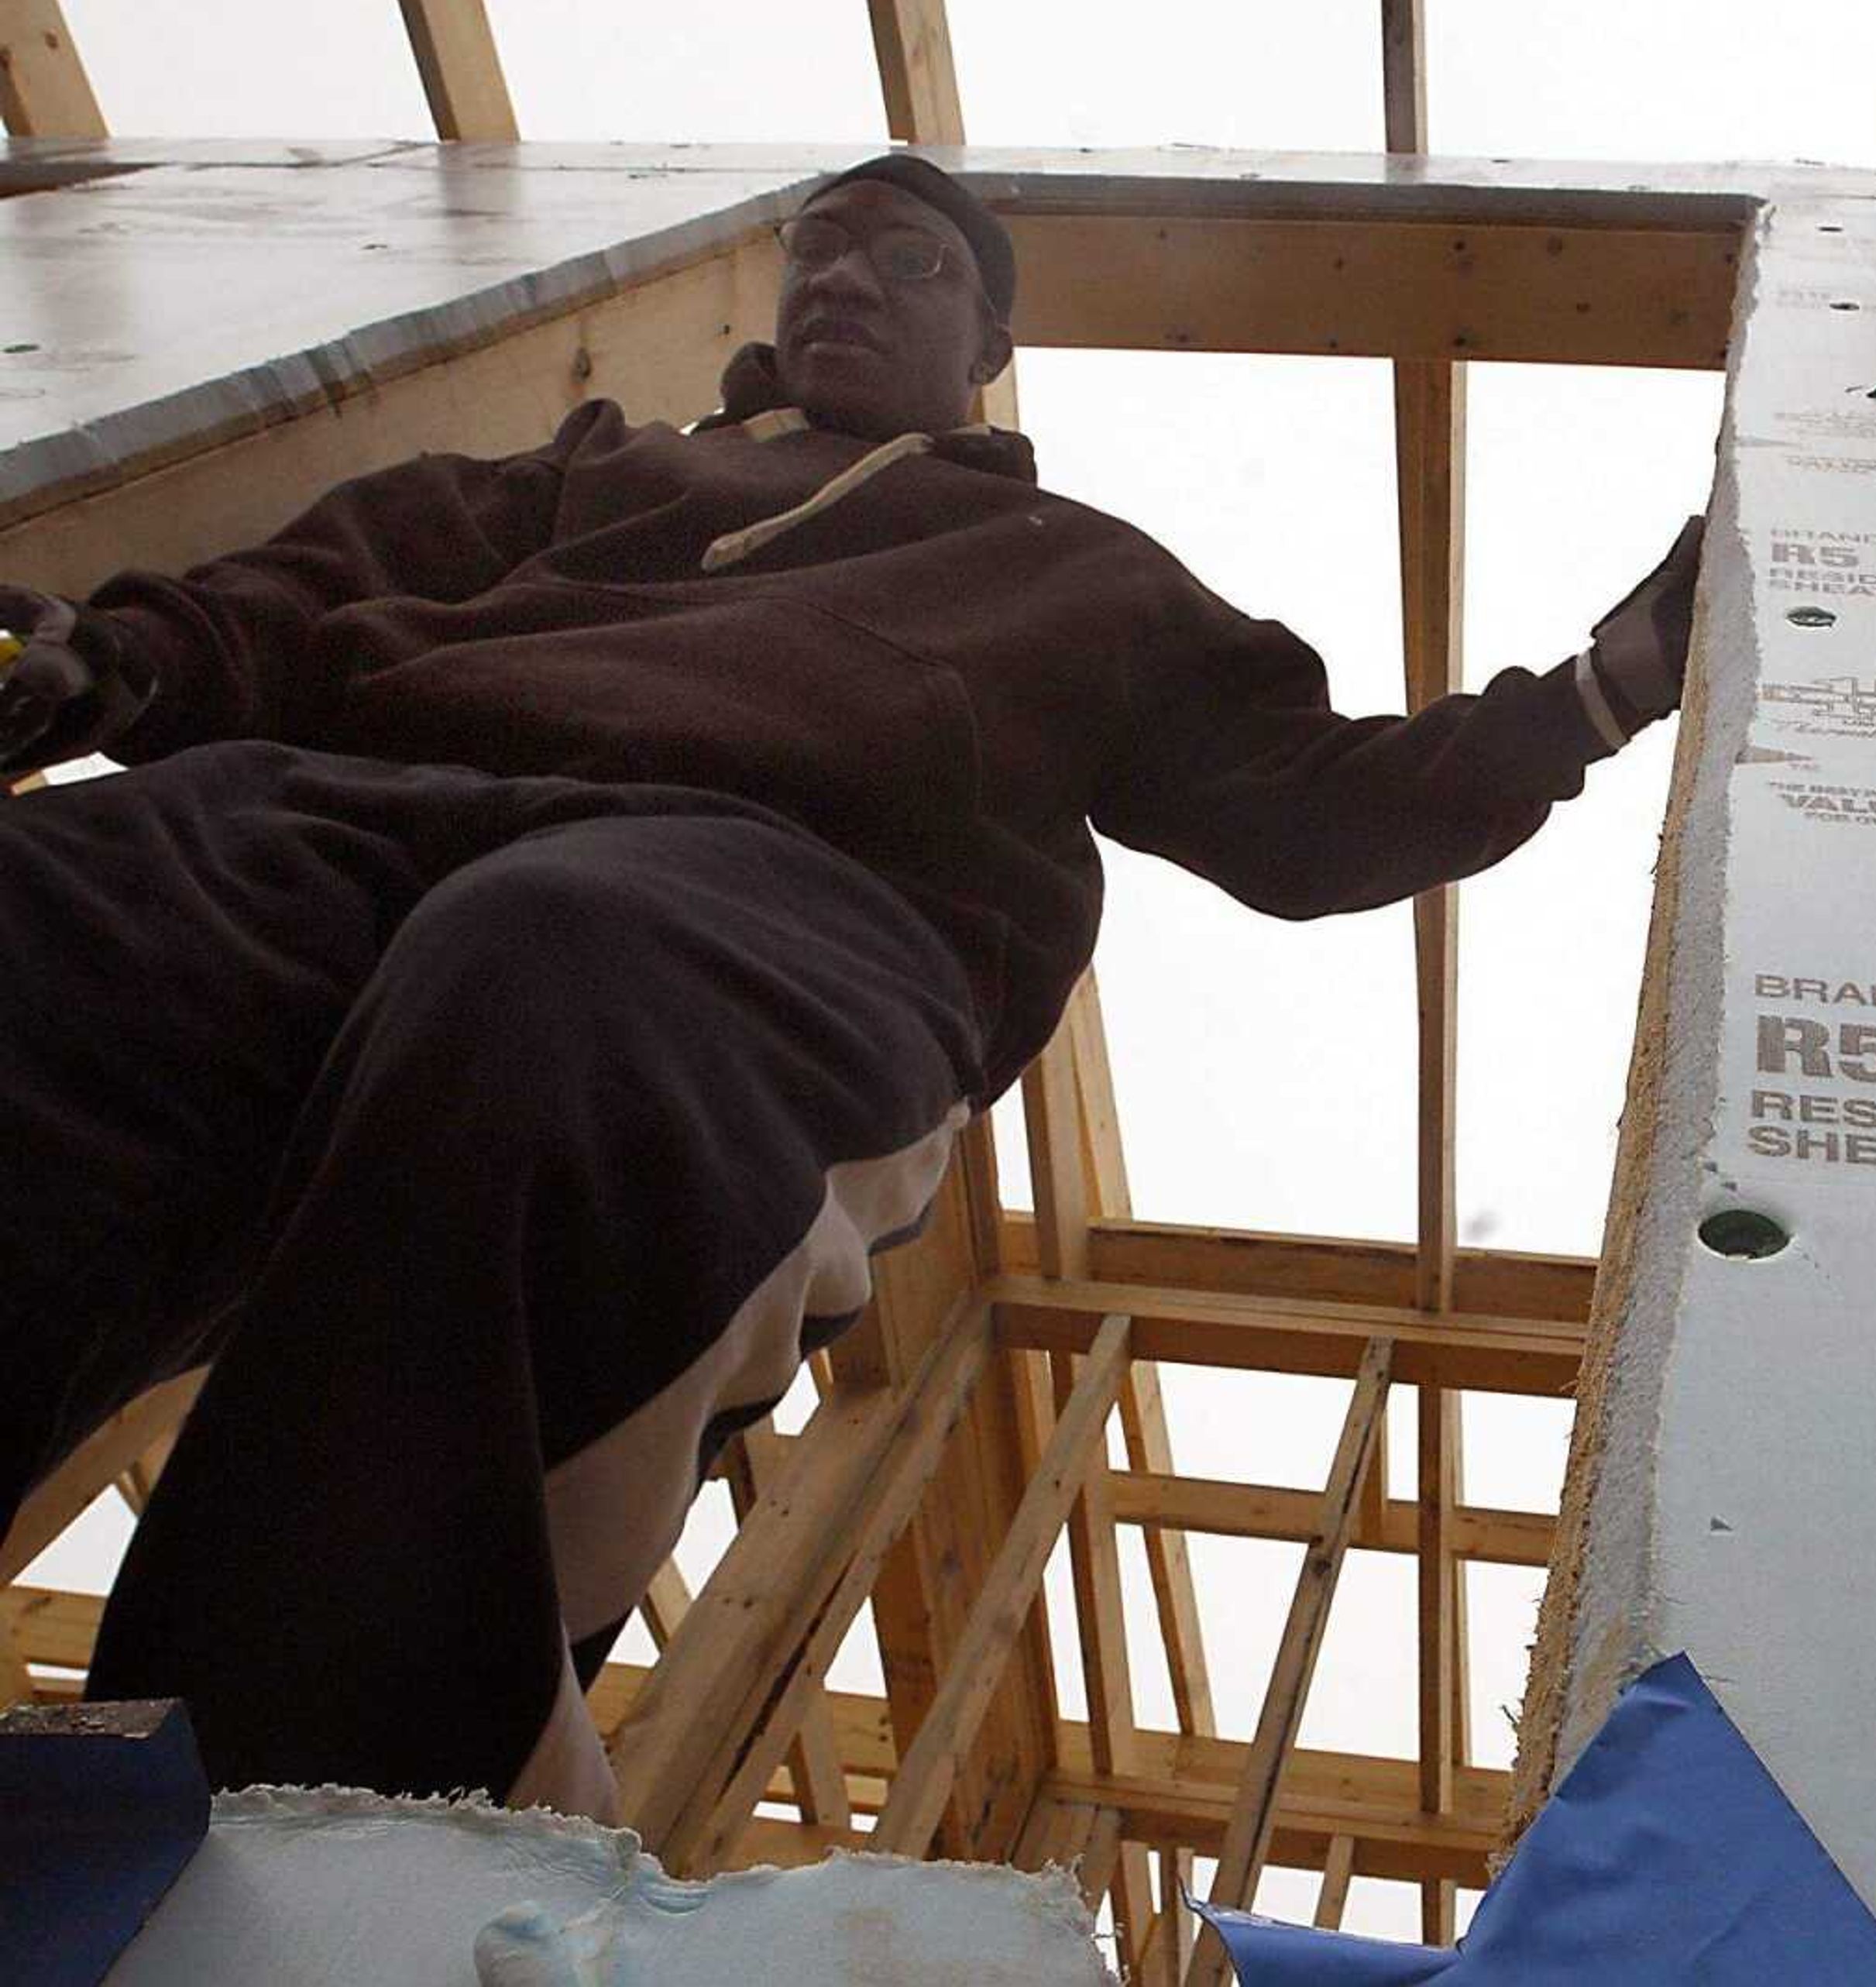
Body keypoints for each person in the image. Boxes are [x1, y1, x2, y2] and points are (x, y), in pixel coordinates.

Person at [0, 155, 1702, 1818]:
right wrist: (124, 658)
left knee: (550, 991)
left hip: (790, 900)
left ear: (986, 342)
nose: (840, 281)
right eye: (819, 252)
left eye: (907, 263)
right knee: (54, 926)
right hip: (363, 805)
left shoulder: (1077, 566)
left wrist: (1594, 695)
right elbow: (335, 578)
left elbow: (1311, 810)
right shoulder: (605, 464)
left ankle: (294, 1815)